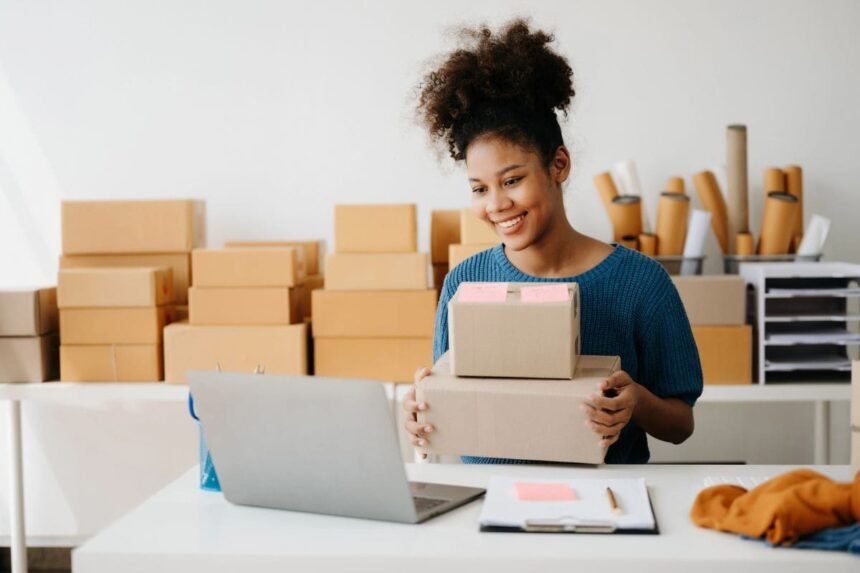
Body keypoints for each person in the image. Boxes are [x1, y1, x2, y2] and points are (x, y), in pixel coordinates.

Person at [403, 19, 703, 464]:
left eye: (512, 180)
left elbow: (681, 425)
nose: (497, 204)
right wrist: (423, 411)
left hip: (602, 507)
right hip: (489, 511)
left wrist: (636, 401)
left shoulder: (642, 283)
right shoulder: (465, 284)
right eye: (480, 188)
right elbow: (457, 400)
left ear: (558, 164)